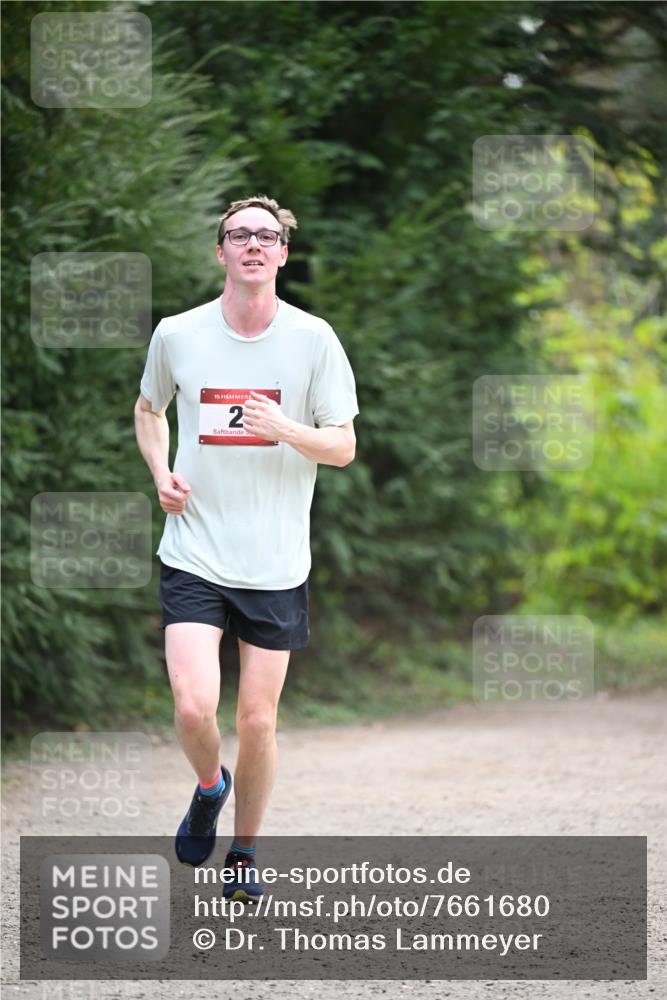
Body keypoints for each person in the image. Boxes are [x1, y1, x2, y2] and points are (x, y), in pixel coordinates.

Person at [134, 195, 358, 900]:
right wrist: (159, 473)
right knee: (195, 707)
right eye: (240, 235)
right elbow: (149, 410)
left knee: (257, 721)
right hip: (195, 549)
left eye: (267, 235)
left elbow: (343, 446)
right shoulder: (177, 333)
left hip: (275, 561)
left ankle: (244, 855)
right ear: (221, 251)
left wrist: (285, 428)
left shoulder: (313, 339)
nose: (254, 245)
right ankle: (209, 786)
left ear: (283, 254)